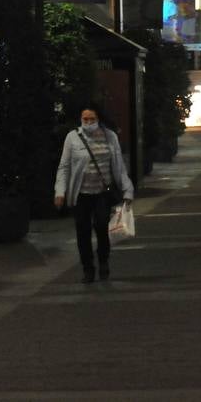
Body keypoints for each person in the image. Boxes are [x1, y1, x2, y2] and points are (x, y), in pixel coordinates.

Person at [54, 107, 134, 283]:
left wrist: (127, 190)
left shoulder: (109, 136)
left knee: (101, 227)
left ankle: (103, 261)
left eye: (92, 119)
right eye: (85, 119)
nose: (88, 123)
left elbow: (119, 166)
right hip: (80, 194)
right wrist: (60, 191)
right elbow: (64, 166)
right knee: (82, 232)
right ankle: (88, 268)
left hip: (101, 193)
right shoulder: (72, 138)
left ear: (99, 119)